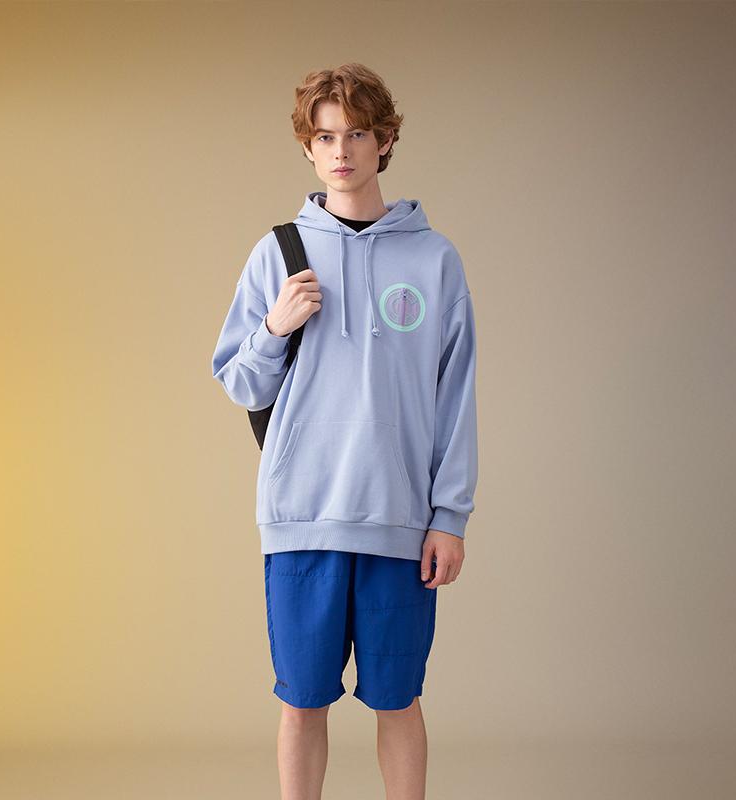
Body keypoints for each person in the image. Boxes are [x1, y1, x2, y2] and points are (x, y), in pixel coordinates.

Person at [211, 62, 478, 800]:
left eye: (357, 133)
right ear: (308, 147)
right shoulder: (277, 254)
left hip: (400, 521)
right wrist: (274, 327)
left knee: (399, 701)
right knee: (302, 702)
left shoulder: (434, 259)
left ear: (385, 140)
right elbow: (240, 383)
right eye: (326, 136)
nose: (341, 151)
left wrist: (449, 517)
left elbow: (456, 397)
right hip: (302, 516)